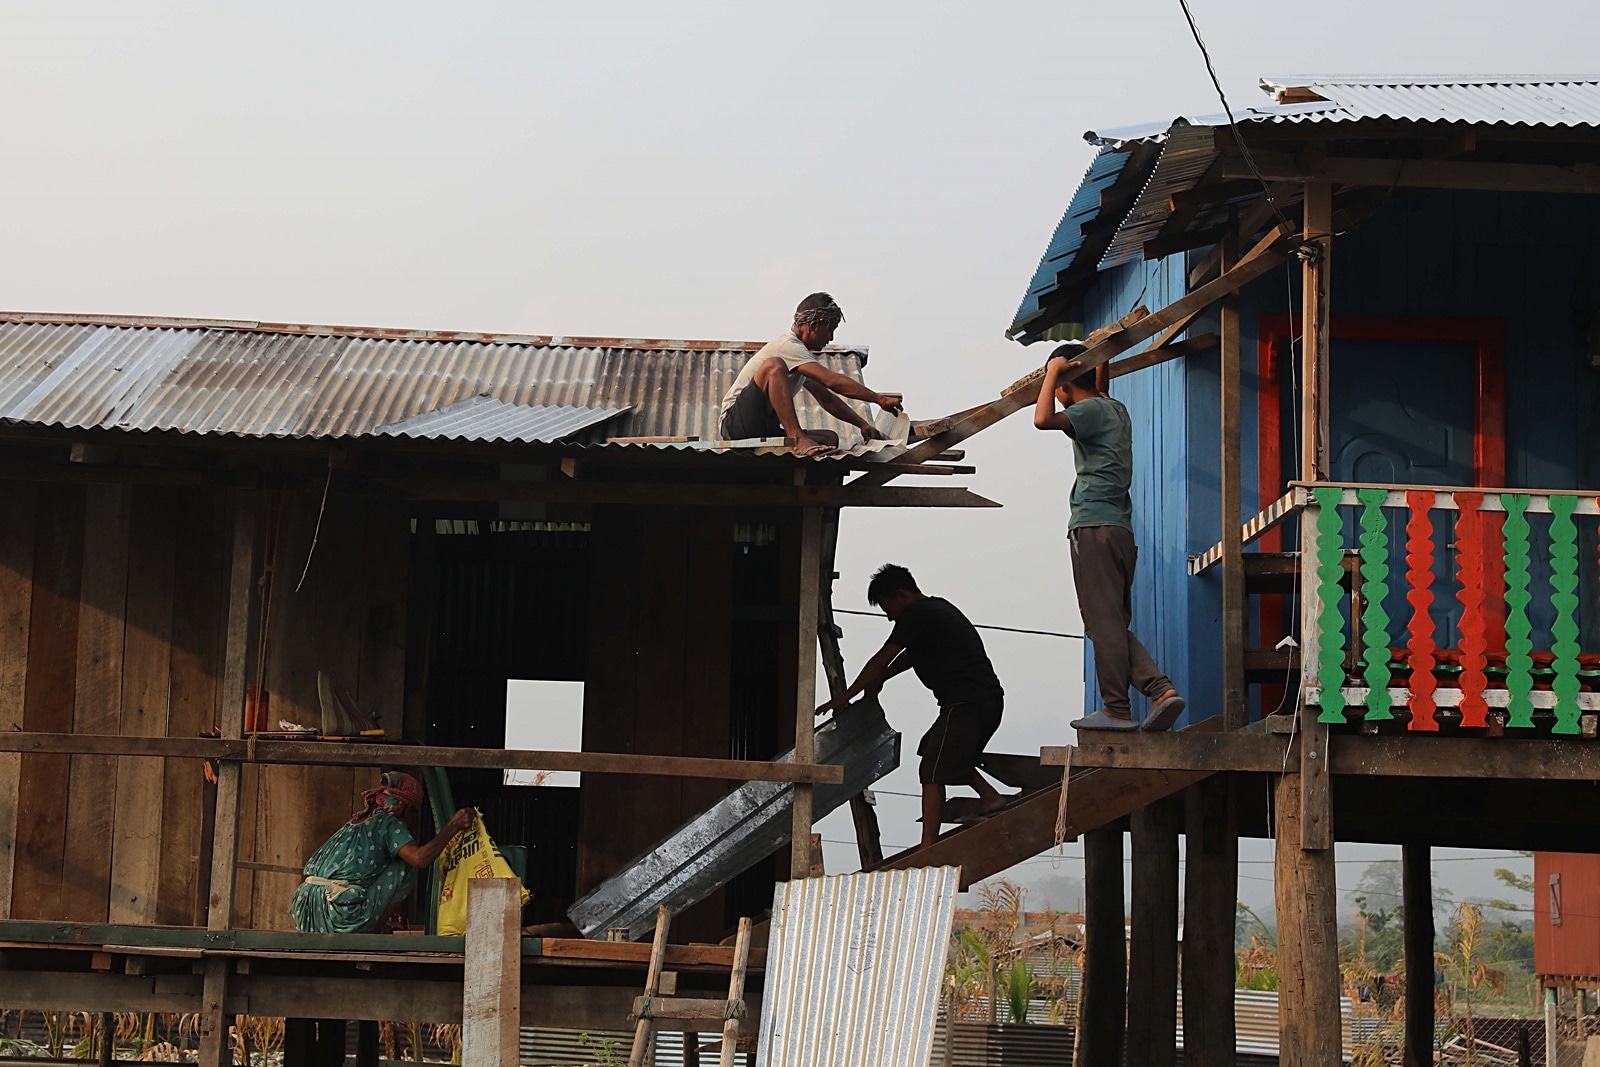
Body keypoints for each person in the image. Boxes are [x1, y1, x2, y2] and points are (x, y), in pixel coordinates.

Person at [1034, 342, 1186, 731]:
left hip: (1093, 527)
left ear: (1067, 387)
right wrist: (1096, 362)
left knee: (1101, 623)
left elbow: (1041, 420)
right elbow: (1100, 387)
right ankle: (1159, 688)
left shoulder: (1085, 411)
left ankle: (1117, 708)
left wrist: (1052, 373)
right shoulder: (1114, 409)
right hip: (1118, 529)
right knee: (1112, 621)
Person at [815, 564, 1009, 851]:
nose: (889, 616)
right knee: (937, 750)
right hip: (978, 702)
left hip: (969, 704)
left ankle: (927, 845)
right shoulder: (934, 612)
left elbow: (881, 659)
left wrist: (845, 697)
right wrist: (878, 682)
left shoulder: (916, 615)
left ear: (901, 595)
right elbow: (908, 657)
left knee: (932, 767)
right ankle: (990, 797)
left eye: (887, 607)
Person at [718, 292, 905, 456]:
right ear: (813, 325)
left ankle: (795, 439)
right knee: (774, 366)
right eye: (830, 329)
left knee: (830, 439)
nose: (830, 338)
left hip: (765, 427)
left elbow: (827, 399)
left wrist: (862, 424)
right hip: (736, 424)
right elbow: (831, 381)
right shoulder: (788, 346)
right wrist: (880, 399)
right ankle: (797, 439)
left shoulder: (802, 358)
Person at [290, 770, 474, 934]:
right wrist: (454, 825)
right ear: (404, 808)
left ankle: (376, 922)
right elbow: (420, 859)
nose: (414, 820)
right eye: (415, 813)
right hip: (339, 916)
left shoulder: (356, 822)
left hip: (305, 911)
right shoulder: (389, 823)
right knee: (406, 867)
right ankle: (372, 932)